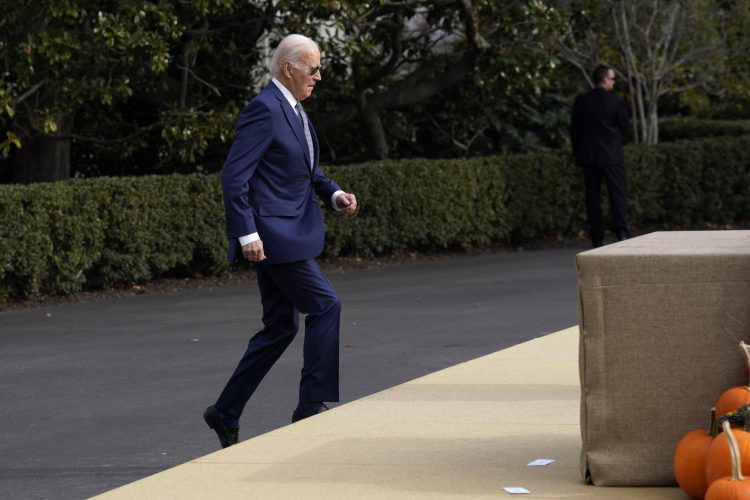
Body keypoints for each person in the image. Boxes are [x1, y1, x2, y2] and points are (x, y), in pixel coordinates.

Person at [203, 34, 358, 449]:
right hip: (275, 236)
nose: (319, 77)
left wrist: (334, 193)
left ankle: (226, 411)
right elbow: (234, 176)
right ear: (289, 68)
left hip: (287, 230)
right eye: (313, 69)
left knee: (280, 326)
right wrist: (247, 232)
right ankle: (310, 408)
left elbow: (304, 170)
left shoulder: (293, 109)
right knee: (326, 305)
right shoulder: (264, 109)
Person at [571, 64, 630, 248]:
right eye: (612, 78)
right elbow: (625, 126)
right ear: (605, 79)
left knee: (593, 197)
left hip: (589, 157)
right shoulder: (615, 101)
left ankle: (597, 237)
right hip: (611, 155)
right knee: (617, 194)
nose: (614, 82)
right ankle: (622, 233)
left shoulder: (581, 100)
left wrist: (578, 153)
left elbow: (574, 130)